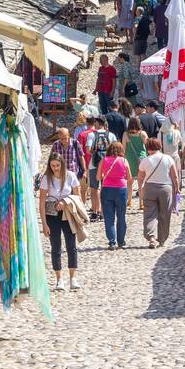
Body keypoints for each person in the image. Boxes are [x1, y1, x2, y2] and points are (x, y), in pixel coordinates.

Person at [38, 151, 82, 291]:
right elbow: (42, 202)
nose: (55, 168)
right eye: (52, 166)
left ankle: (72, 277)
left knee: (71, 245)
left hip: (68, 213)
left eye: (57, 165)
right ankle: (59, 279)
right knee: (55, 247)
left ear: (62, 164)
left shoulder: (70, 176)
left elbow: (78, 197)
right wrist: (44, 223)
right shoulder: (46, 179)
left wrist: (65, 201)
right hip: (52, 214)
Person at [138, 139, 180, 248]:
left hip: (150, 188)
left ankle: (151, 237)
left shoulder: (145, 160)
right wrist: (177, 187)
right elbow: (174, 176)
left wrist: (140, 189)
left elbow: (140, 178)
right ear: (160, 146)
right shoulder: (168, 159)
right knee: (165, 215)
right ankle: (162, 239)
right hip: (165, 189)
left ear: (148, 148)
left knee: (149, 214)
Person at [97, 141, 131, 250]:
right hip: (121, 190)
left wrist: (106, 175)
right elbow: (129, 178)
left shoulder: (103, 160)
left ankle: (112, 241)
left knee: (109, 217)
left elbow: (98, 177)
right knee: (121, 216)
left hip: (107, 189)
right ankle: (121, 241)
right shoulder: (124, 161)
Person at [85, 116, 117, 221]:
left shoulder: (91, 135)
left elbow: (88, 150)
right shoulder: (111, 135)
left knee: (94, 189)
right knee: (105, 189)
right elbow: (115, 149)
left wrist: (96, 152)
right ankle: (103, 212)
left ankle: (95, 212)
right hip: (108, 165)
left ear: (97, 123)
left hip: (93, 164)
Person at [123, 117, 149, 209]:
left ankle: (129, 202)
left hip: (129, 159)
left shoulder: (126, 134)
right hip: (142, 159)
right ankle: (141, 203)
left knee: (129, 182)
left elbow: (124, 149)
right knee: (141, 182)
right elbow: (148, 145)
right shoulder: (142, 133)